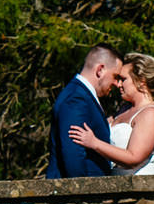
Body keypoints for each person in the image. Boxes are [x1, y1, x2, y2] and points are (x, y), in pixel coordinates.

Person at [67, 51, 154, 175]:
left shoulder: (150, 114)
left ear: (141, 81)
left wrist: (94, 143)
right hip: (116, 184)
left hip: (140, 186)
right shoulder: (122, 110)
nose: (118, 84)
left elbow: (133, 158)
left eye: (123, 79)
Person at [48, 45, 124, 178]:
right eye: (115, 76)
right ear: (100, 70)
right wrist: (83, 193)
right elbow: (73, 152)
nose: (118, 84)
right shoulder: (76, 99)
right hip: (78, 194)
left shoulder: (83, 96)